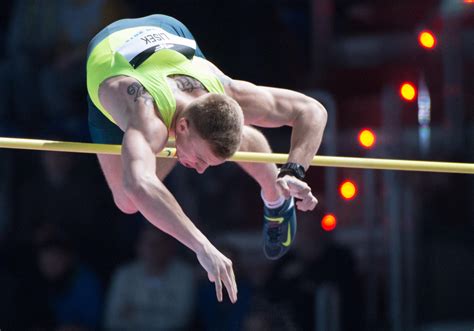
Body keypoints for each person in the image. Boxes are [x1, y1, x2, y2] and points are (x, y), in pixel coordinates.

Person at [86, 14, 327, 303]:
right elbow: (137, 185)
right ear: (183, 126)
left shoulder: (227, 92)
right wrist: (202, 246)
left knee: (208, 136)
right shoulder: (146, 115)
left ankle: (276, 192)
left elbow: (312, 110)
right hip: (110, 53)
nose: (200, 171)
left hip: (168, 33)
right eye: (200, 159)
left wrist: (294, 170)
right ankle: (194, 147)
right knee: (126, 201)